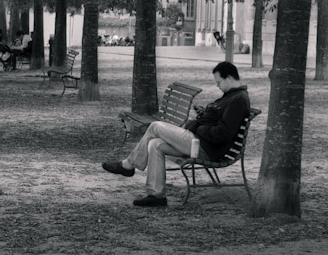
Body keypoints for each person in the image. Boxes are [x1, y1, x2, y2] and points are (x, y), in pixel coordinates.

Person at [101, 61, 250, 207]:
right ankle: (156, 195)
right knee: (155, 144)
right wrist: (204, 115)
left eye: (219, 82)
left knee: (155, 127)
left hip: (205, 147)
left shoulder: (238, 99)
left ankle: (128, 165)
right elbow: (216, 120)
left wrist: (197, 126)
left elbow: (222, 133)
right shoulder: (231, 96)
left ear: (229, 78)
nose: (217, 85)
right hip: (200, 142)